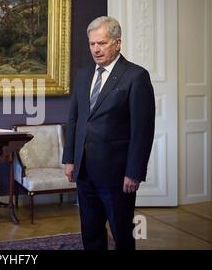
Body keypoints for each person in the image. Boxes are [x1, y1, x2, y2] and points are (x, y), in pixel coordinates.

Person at [62, 16, 155, 250]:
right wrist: (69, 159)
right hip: (84, 171)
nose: (96, 49)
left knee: (122, 233)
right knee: (91, 232)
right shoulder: (84, 75)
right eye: (92, 43)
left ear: (117, 43)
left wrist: (134, 172)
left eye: (101, 43)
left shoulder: (136, 77)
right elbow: (74, 120)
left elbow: (142, 131)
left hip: (116, 174)